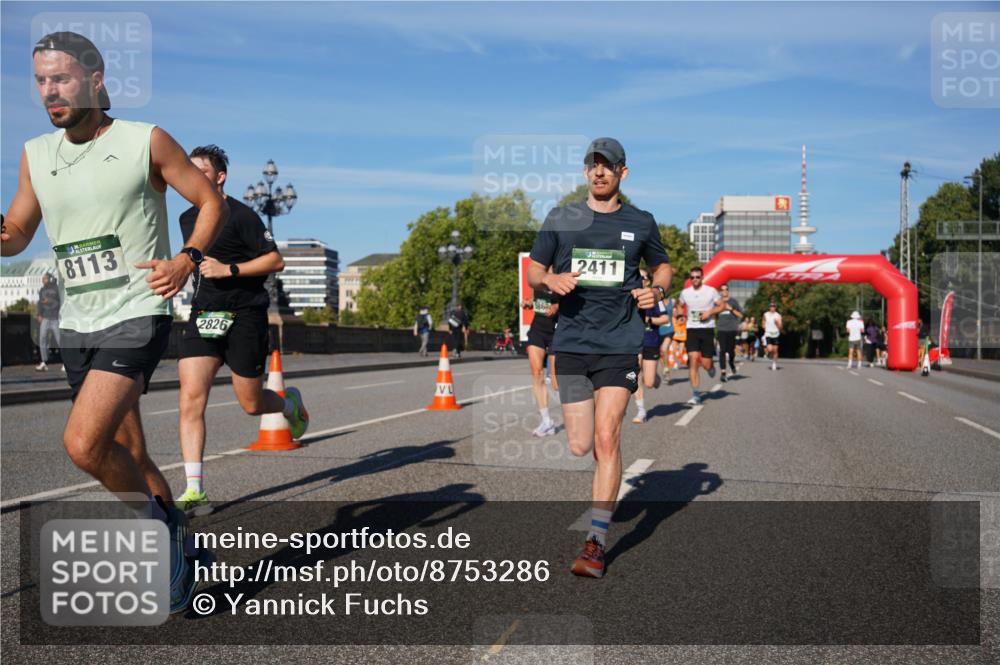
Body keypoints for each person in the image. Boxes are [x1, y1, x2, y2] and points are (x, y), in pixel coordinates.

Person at [2, 32, 226, 613]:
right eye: (42, 81)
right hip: (79, 322)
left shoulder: (143, 140)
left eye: (62, 79)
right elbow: (17, 235)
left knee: (83, 444)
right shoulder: (35, 154)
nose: (51, 91)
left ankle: (162, 539)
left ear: (96, 80)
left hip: (137, 311)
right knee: (128, 452)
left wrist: (187, 258)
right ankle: (175, 529)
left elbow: (209, 202)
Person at [527, 137, 672, 578]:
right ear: (585, 171)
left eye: (607, 165)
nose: (599, 172)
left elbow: (662, 266)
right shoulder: (562, 218)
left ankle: (595, 541)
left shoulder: (640, 221)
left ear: (623, 173)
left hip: (619, 343)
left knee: (608, 439)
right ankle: (600, 485)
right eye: (593, 164)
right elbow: (534, 270)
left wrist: (658, 289)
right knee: (580, 444)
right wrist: (550, 279)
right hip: (570, 345)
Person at [175, 145, 308, 517]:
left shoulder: (243, 214)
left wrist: (229, 270)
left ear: (219, 177)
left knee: (252, 405)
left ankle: (288, 403)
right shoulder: (187, 218)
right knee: (190, 398)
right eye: (188, 168)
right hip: (203, 314)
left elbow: (275, 260)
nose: (191, 174)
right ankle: (194, 489)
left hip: (245, 315)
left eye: (200, 169)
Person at [679, 267, 723, 405]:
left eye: (697, 277)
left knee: (705, 363)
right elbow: (680, 305)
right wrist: (681, 315)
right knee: (693, 359)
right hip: (691, 328)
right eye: (692, 277)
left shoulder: (711, 291)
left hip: (707, 329)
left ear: (702, 277)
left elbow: (722, 305)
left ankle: (710, 368)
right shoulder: (685, 292)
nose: (695, 280)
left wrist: (710, 312)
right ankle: (695, 394)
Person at [522, 279, 559, 437]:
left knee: (557, 382)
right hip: (538, 329)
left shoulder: (562, 274)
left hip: (558, 331)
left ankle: (581, 415)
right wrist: (528, 303)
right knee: (537, 373)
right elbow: (535, 301)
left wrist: (557, 306)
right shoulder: (538, 279)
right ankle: (546, 421)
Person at [632, 271, 670, 423]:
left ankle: (655, 377)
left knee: (649, 382)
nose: (640, 280)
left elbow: (666, 318)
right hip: (634, 341)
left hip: (651, 340)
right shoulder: (630, 295)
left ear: (648, 281)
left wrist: (650, 319)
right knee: (636, 375)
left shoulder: (656, 298)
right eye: (637, 277)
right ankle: (641, 410)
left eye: (643, 278)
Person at [714, 283, 744, 382]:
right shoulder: (717, 302)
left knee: (730, 351)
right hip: (721, 329)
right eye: (722, 290)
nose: (724, 291)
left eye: (726, 289)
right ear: (720, 292)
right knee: (722, 350)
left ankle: (731, 363)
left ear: (728, 291)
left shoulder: (733, 301)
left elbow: (740, 315)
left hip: (732, 329)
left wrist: (730, 309)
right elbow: (715, 315)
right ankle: (723, 373)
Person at [35, 272, 63, 371]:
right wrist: (39, 314)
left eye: (45, 278)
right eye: (43, 278)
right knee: (42, 340)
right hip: (45, 318)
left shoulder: (56, 288)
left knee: (60, 340)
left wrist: (49, 301)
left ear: (50, 279)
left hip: (55, 318)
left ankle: (66, 363)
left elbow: (60, 302)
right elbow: (40, 303)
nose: (43, 280)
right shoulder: (42, 290)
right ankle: (43, 362)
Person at [657, 296, 674, 380]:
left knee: (664, 349)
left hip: (669, 329)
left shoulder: (672, 301)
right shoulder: (657, 302)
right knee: (660, 352)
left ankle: (666, 368)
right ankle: (664, 369)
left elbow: (678, 312)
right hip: (658, 330)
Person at [669, 302, 688, 380]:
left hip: (682, 337)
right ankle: (675, 363)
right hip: (675, 336)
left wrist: (681, 318)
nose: (675, 312)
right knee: (673, 350)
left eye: (676, 311)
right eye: (673, 311)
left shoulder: (683, 318)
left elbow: (682, 321)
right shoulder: (672, 318)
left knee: (680, 351)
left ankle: (680, 361)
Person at [763, 302, 783, 370]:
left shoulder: (778, 315)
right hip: (768, 333)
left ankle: (774, 363)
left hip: (776, 334)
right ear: (769, 307)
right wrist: (764, 326)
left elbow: (781, 327)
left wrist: (777, 323)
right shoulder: (765, 314)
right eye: (771, 306)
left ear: (775, 307)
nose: (772, 307)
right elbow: (763, 322)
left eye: (774, 306)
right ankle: (769, 354)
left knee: (775, 350)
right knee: (770, 349)